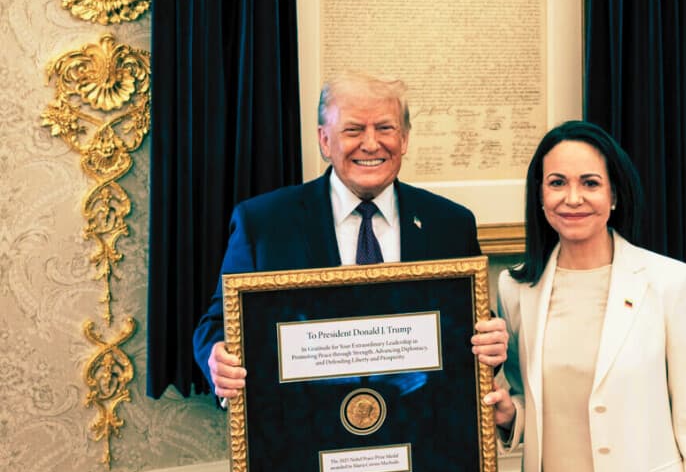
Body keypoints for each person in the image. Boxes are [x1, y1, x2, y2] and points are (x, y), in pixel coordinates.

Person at [483, 120, 686, 472]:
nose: (572, 198)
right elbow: (526, 399)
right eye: (557, 183)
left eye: (590, 183)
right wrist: (508, 414)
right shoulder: (516, 289)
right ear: (540, 196)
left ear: (614, 195)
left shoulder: (669, 282)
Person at [193, 71, 508, 399]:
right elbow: (217, 324)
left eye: (385, 128)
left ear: (405, 138)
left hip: (422, 429)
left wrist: (491, 343)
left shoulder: (450, 224)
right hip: (303, 430)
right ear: (325, 140)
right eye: (354, 130)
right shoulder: (263, 224)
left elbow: (469, 330)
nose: (371, 144)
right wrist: (217, 358)